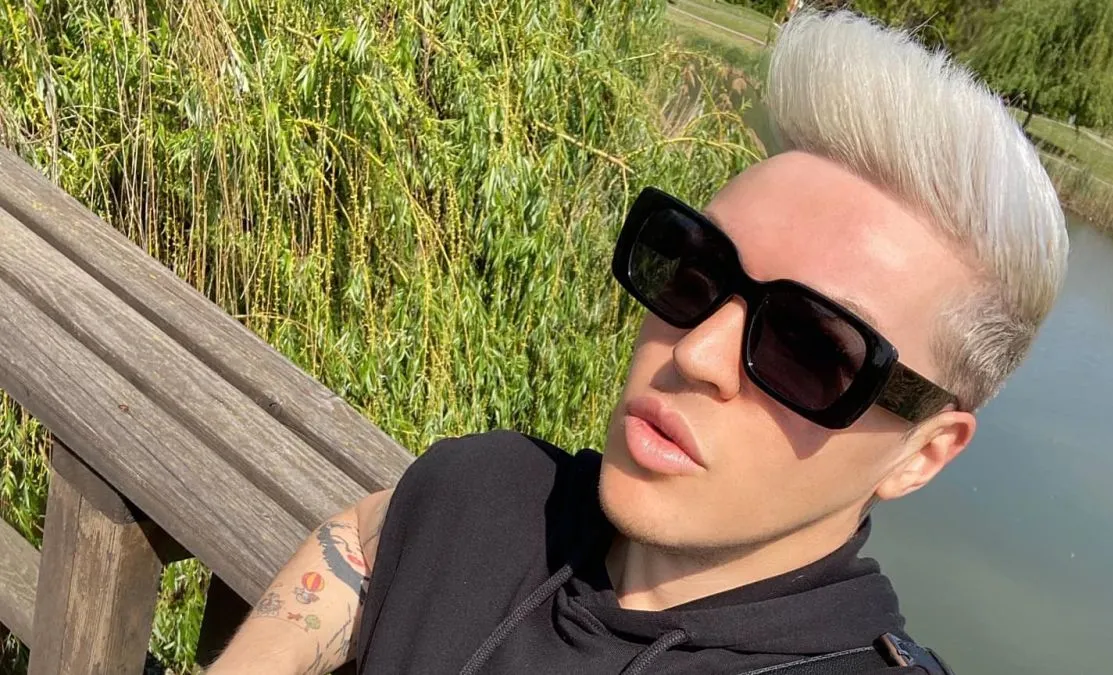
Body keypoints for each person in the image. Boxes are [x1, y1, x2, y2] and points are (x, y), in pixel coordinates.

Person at [209, 10, 1066, 675]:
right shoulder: (498, 488)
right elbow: (367, 537)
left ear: (923, 450)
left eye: (810, 347)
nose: (696, 353)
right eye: (695, 270)